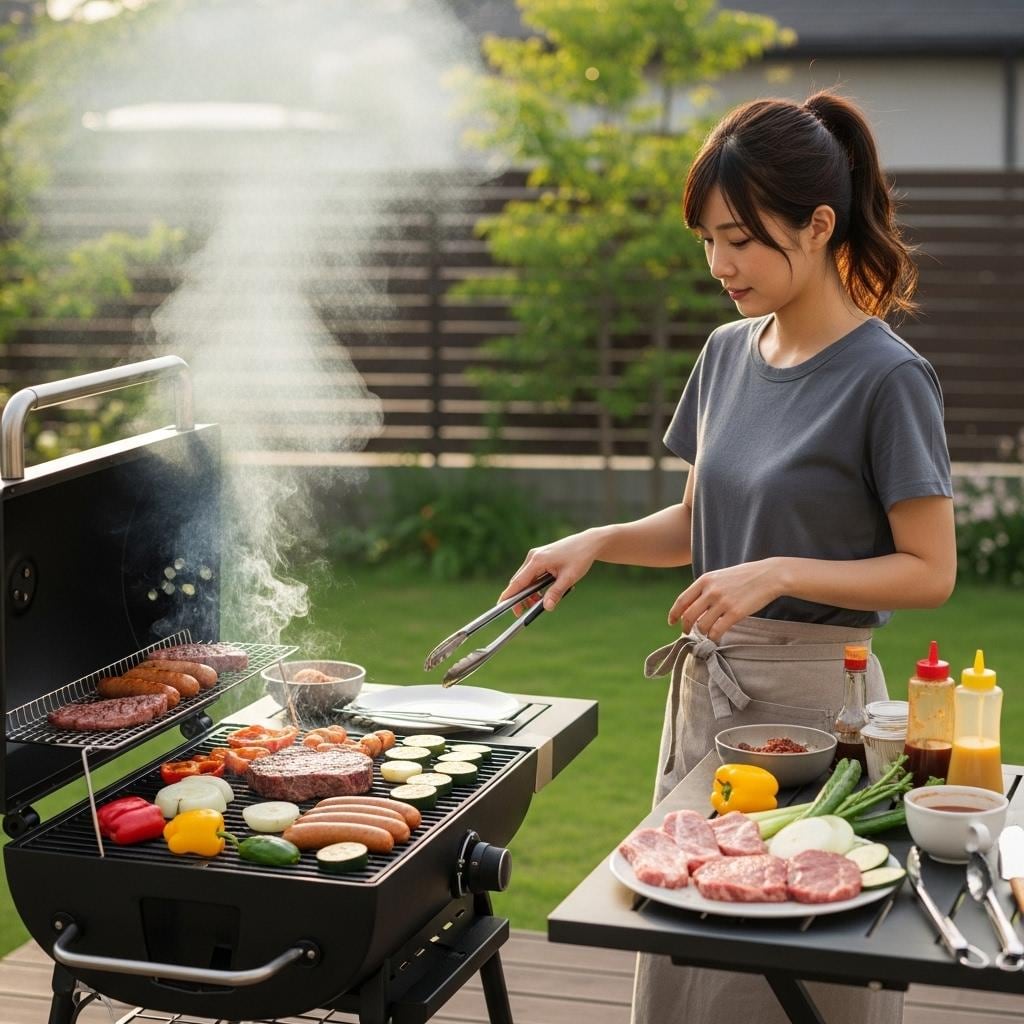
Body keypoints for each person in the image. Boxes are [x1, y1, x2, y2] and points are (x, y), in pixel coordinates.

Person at [497, 89, 956, 1024]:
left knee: (793, 974)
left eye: (741, 238)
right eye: (708, 239)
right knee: (684, 959)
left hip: (824, 716)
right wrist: (593, 543)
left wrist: (782, 571)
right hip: (714, 701)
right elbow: (697, 527)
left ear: (819, 224)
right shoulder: (724, 354)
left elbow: (929, 569)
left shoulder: (887, 377)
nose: (719, 264)